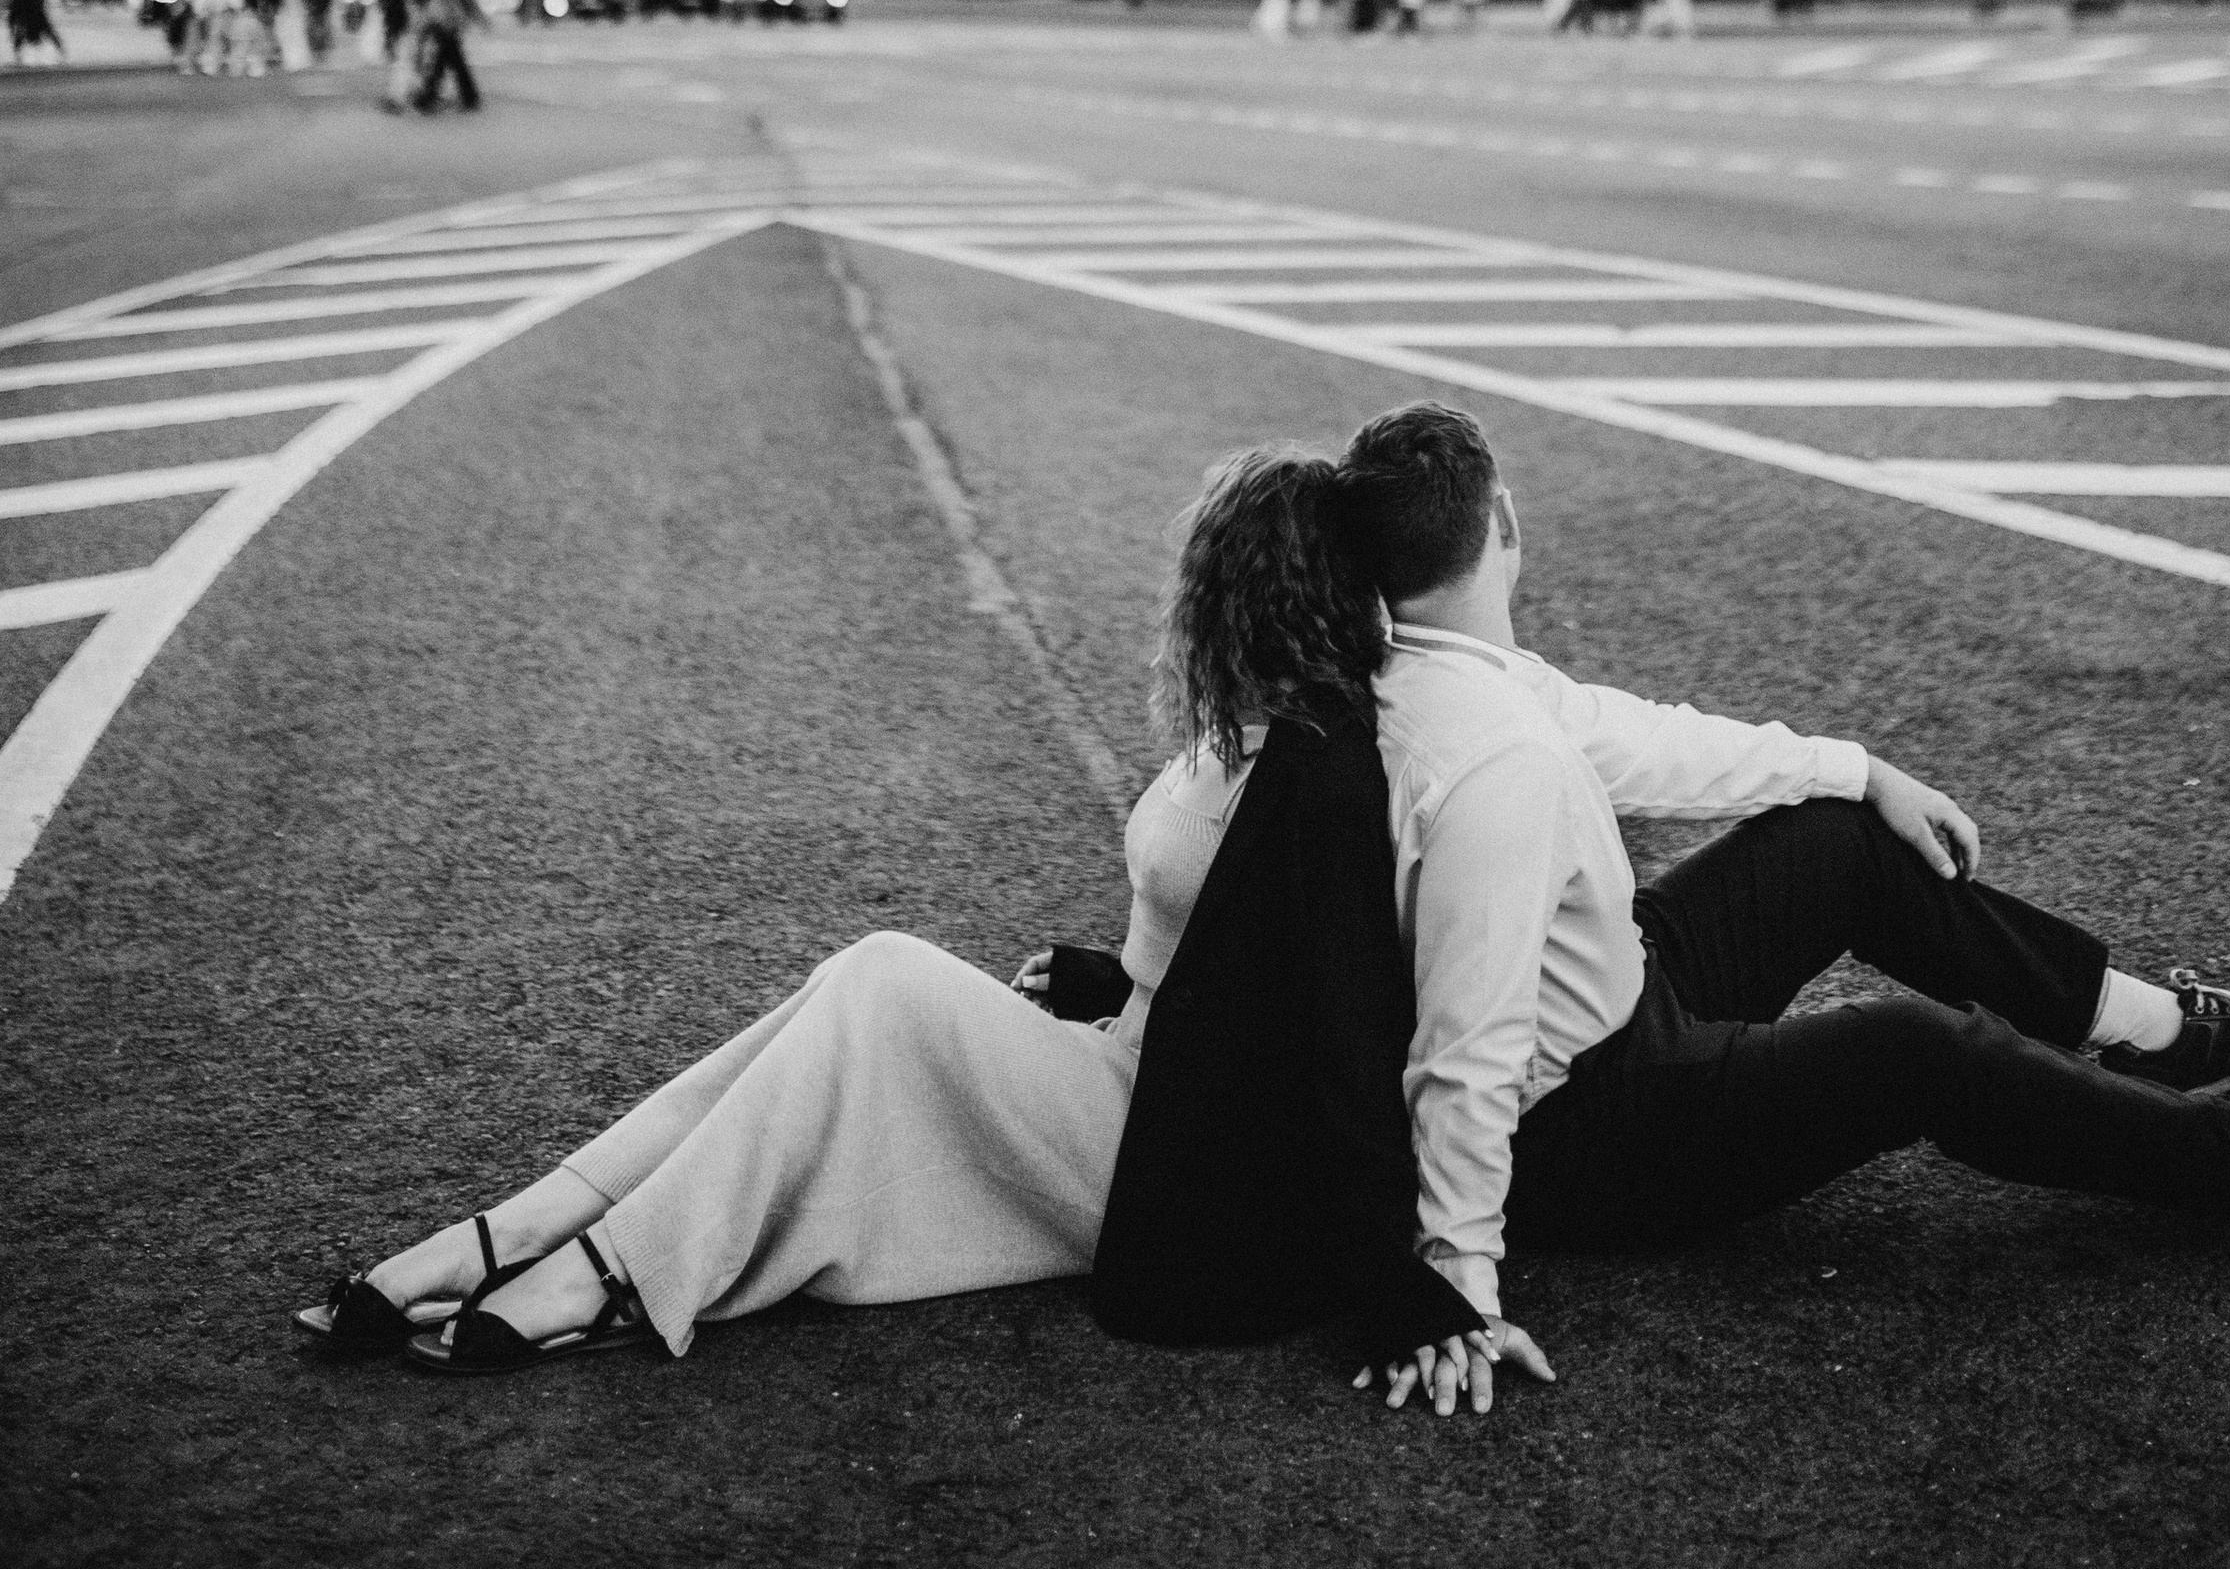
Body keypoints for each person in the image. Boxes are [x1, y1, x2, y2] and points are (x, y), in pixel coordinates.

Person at [1331, 400, 2230, 1419]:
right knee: (1906, 1052)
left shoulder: (1456, 677)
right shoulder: (1478, 764)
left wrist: (1858, 768)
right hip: (1594, 1127)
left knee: (1839, 837)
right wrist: (1455, 1284)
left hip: (1620, 998)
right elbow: (1466, 1046)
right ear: (1509, 527)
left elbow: (1643, 740)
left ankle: (2151, 1030)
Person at [296, 452, 1471, 1383]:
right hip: (1129, 1073)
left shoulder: (1321, 772)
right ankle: (525, 1232)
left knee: (882, 980)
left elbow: (1338, 1029)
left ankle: (596, 1271)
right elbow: (1224, 958)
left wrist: (1411, 1281)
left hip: (1168, 1149)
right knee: (837, 1003)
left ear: (1236, 592)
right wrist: (1106, 977)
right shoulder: (1246, 733)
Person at [408, 0, 481, 114]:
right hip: (444, 23)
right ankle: (466, 97)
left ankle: (429, 98)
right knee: (450, 61)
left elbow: (462, 0)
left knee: (446, 61)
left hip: (446, 23)